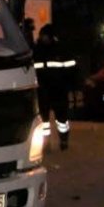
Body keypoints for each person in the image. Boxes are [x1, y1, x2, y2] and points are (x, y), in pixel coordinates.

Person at [34, 23, 76, 151]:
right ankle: (45, 142)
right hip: (42, 89)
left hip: (59, 89)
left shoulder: (61, 50)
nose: (44, 38)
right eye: (42, 36)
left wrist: (72, 86)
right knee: (43, 119)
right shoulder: (36, 50)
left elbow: (71, 69)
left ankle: (63, 140)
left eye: (46, 36)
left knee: (62, 118)